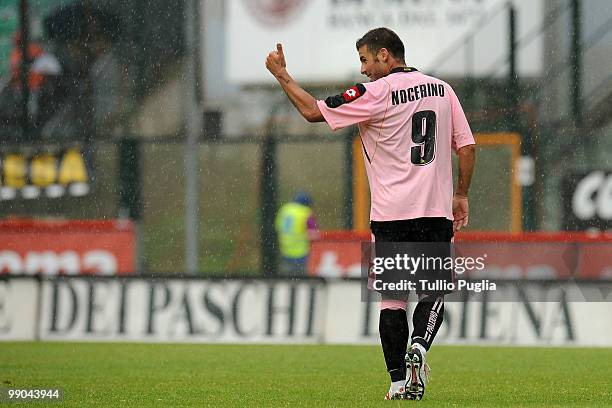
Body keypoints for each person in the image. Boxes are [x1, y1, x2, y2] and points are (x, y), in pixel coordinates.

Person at [265, 27, 476, 400]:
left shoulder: (375, 93)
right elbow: (467, 145)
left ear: (384, 56)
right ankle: (420, 347)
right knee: (433, 291)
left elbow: (313, 111)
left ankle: (397, 382)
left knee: (392, 300)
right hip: (434, 213)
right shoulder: (443, 90)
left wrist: (282, 75)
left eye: (364, 59)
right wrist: (461, 194)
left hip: (391, 215)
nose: (362, 70)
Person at [275, 191, 319, 275]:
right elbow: (314, 233)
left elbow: (278, 226)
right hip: (300, 253)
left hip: (284, 250)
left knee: (286, 279)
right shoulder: (305, 212)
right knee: (300, 279)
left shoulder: (285, 209)